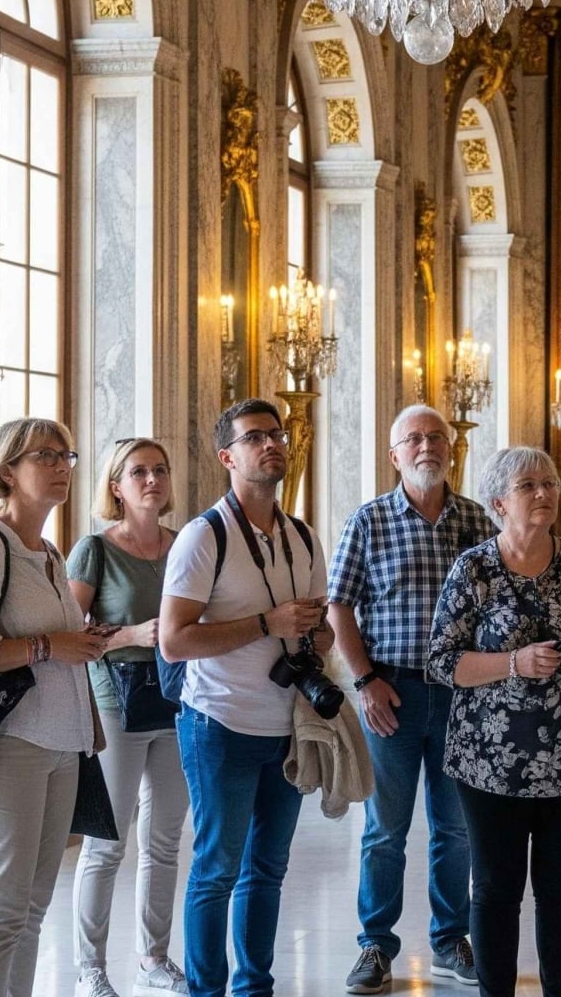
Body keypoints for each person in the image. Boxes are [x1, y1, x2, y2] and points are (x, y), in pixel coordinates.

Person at [426, 446, 561, 997]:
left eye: (550, 483)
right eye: (528, 486)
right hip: (489, 765)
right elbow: (442, 661)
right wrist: (514, 662)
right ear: (498, 503)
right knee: (494, 889)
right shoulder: (475, 569)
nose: (543, 494)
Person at [158, 398, 334, 997]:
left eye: (277, 434)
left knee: (268, 871)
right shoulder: (203, 536)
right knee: (215, 870)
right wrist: (269, 624)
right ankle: (206, 990)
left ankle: (253, 987)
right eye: (255, 436)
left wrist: (313, 630)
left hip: (286, 726)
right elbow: (174, 641)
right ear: (227, 456)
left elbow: (322, 629)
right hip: (219, 725)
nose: (272, 444)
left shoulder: (303, 536)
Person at [327, 404, 495, 994]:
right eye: (413, 439)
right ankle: (375, 945)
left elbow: (499, 606)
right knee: (384, 830)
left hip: (462, 697)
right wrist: (365, 680)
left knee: (456, 829)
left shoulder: (476, 522)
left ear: (452, 451)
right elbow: (338, 605)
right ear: (394, 455)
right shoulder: (368, 521)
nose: (427, 446)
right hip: (389, 692)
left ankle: (451, 939)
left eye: (436, 438)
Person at [0, 418, 110, 997]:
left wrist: (86, 715)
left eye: (68, 454)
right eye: (47, 455)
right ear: (7, 471)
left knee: (34, 907)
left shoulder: (48, 553)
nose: (63, 465)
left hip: (62, 743)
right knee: (0, 907)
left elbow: (61, 648)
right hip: (7, 747)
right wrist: (47, 646)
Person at [68, 438, 188, 997]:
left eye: (159, 470)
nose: (151, 480)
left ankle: (154, 958)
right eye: (138, 472)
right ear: (116, 485)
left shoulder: (185, 543)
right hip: (116, 704)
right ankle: (90, 967)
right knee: (107, 841)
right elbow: (68, 634)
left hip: (178, 699)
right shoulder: (95, 549)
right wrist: (133, 635)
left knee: (164, 840)